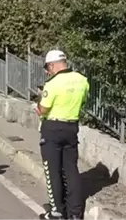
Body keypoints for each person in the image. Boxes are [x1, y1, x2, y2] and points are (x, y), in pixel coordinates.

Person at [34, 50, 89, 220]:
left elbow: (43, 109)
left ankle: (57, 212)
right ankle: (75, 213)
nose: (47, 72)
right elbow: (84, 101)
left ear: (52, 65)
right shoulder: (82, 80)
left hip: (52, 128)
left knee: (53, 171)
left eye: (47, 68)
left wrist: (37, 106)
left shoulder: (53, 83)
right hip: (72, 127)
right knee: (71, 170)